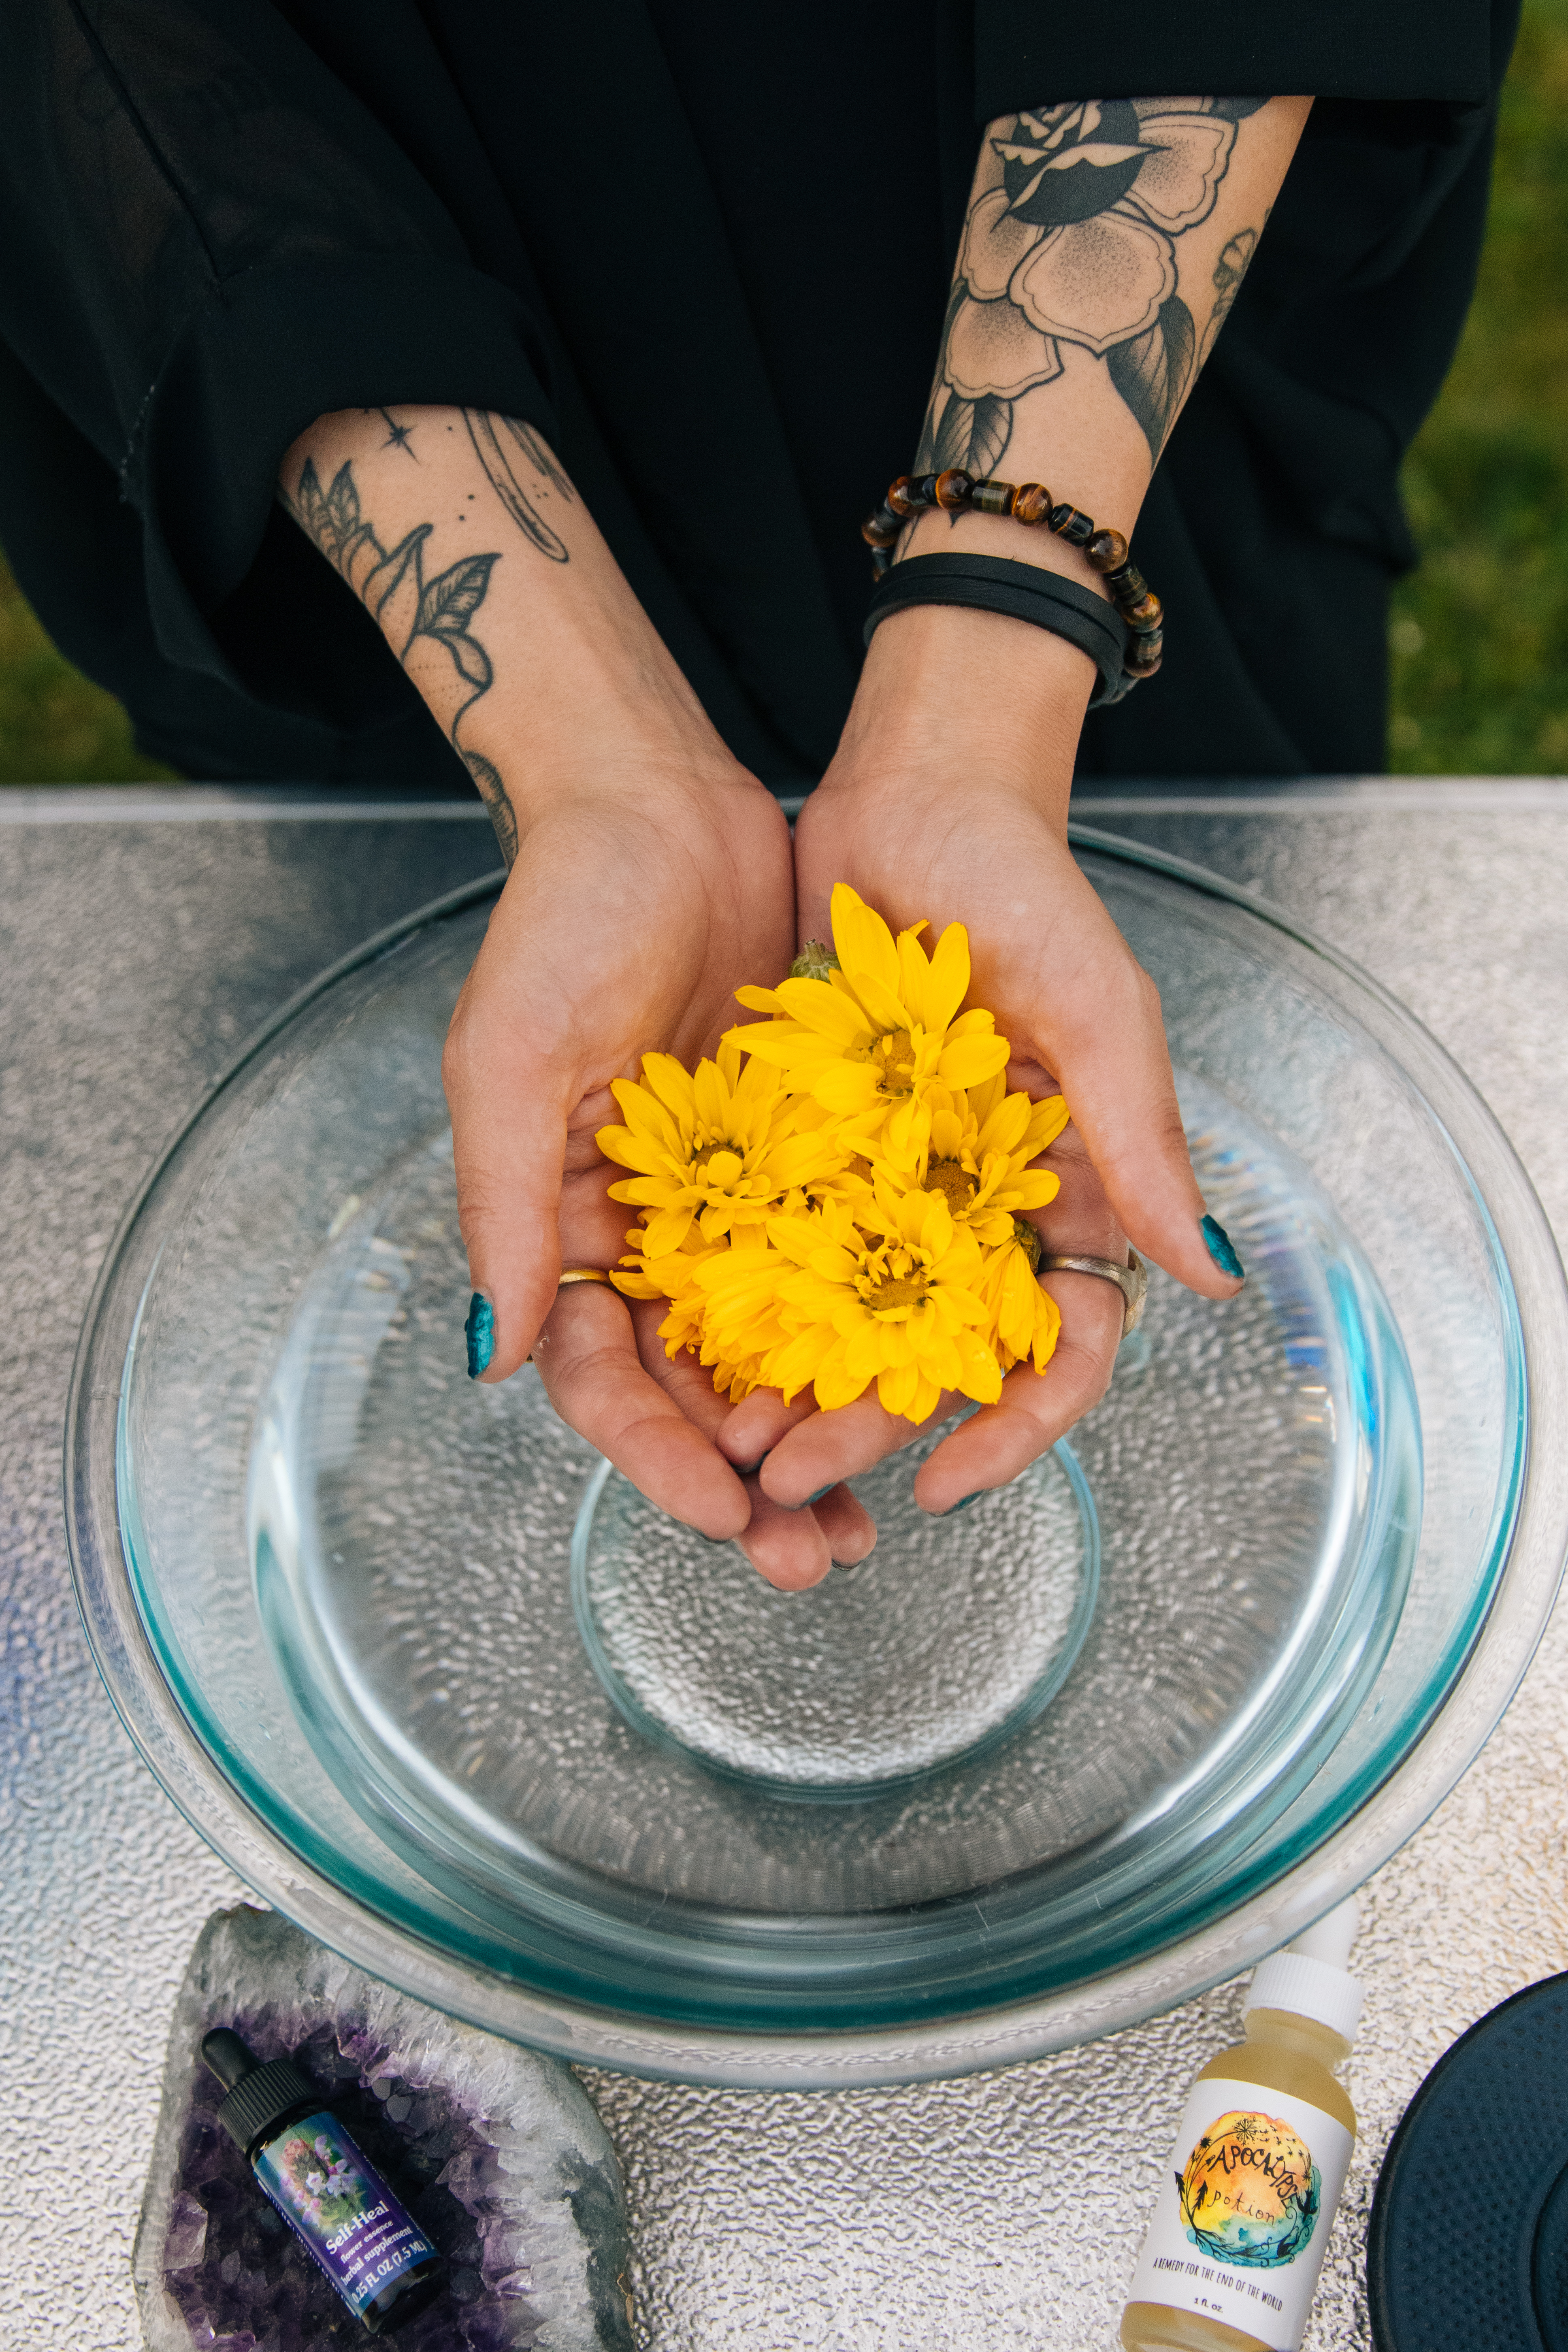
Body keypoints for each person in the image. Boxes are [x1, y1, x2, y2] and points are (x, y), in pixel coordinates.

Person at [0, 4, 1512, 1587]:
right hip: (376, 360)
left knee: (1203, 903)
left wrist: (990, 689)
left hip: (1052, 320)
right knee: (376, 902)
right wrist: (582, 757)